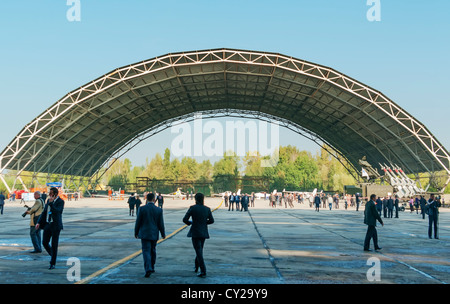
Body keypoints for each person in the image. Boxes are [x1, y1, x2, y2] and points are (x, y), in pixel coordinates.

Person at [182, 193, 214, 278]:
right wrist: (204, 223)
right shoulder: (207, 209)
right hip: (203, 232)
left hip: (195, 231)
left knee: (198, 251)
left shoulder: (192, 208)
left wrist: (191, 223)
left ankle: (203, 270)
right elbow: (211, 220)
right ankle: (196, 266)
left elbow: (185, 219)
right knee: (200, 250)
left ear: (195, 199)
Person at [134, 192, 166, 277]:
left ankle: (148, 268)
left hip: (144, 233)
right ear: (154, 199)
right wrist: (163, 234)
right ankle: (152, 266)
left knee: (146, 251)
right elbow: (161, 224)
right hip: (154, 233)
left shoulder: (142, 209)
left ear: (146, 199)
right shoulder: (159, 210)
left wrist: (136, 232)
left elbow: (138, 222)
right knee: (153, 250)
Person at [35, 187, 65, 269]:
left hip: (55, 226)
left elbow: (58, 212)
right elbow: (44, 212)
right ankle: (53, 254)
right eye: (49, 193)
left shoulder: (60, 202)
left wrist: (52, 204)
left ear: (55, 194)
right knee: (44, 242)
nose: (49, 194)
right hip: (48, 224)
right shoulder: (48, 201)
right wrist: (39, 222)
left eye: (51, 193)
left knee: (54, 244)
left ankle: (53, 263)